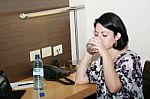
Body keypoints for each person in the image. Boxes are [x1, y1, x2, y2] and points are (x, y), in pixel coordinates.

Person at [75, 12, 143, 99]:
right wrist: (89, 53)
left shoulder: (131, 59)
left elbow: (113, 88)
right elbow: (80, 79)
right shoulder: (101, 60)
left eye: (104, 35)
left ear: (117, 36)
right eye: (96, 34)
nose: (99, 38)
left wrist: (105, 54)